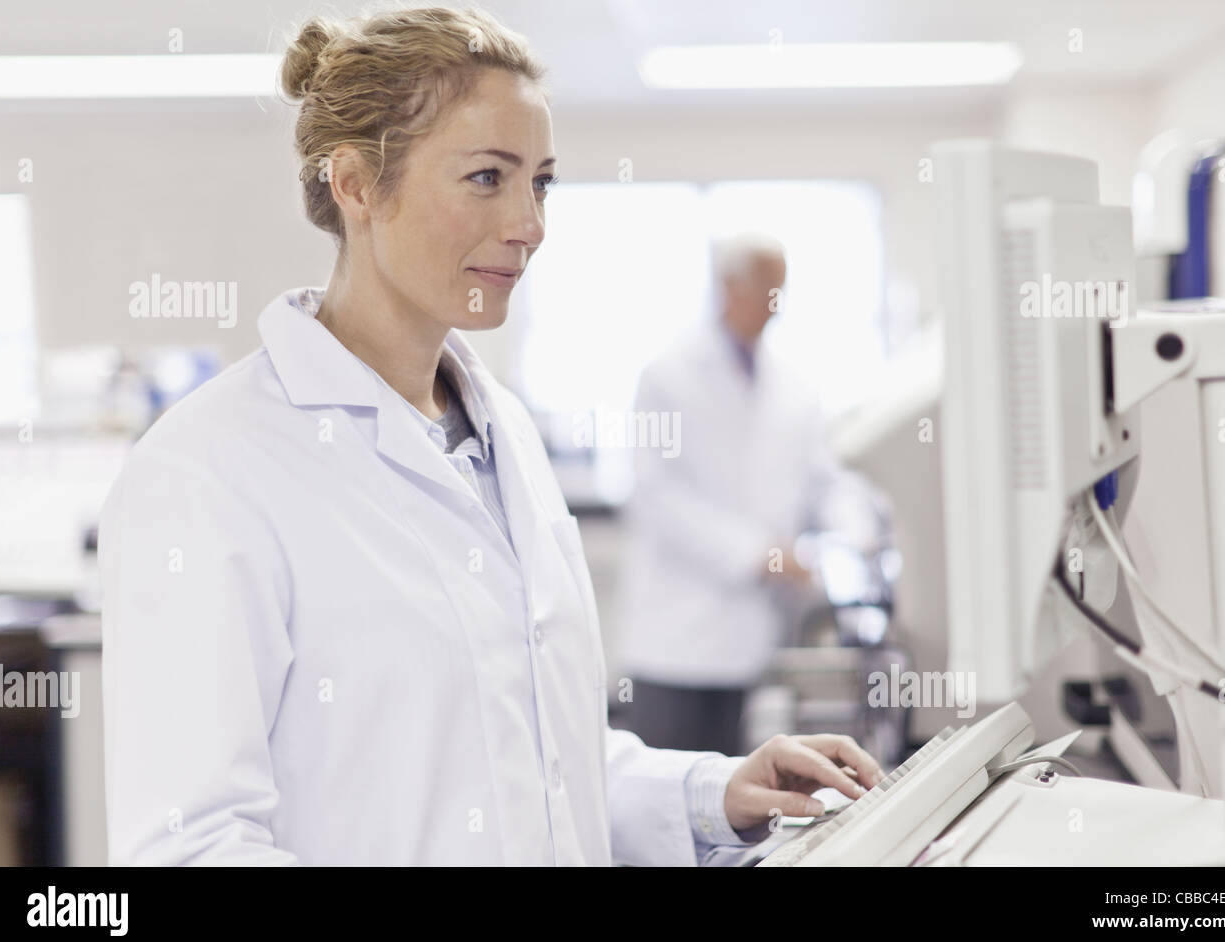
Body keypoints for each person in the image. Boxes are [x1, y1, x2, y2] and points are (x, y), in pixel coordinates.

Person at [99, 7, 883, 866]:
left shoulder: (498, 428)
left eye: (540, 182)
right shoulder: (208, 470)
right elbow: (194, 848)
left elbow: (542, 760)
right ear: (356, 184)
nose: (530, 224)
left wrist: (709, 794)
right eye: (486, 178)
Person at [620, 233, 885, 756]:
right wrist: (759, 555)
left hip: (751, 645)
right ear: (729, 288)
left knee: (734, 800)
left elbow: (825, 482)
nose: (776, 307)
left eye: (780, 293)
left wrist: (854, 534)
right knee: (671, 799)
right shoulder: (666, 378)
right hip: (677, 642)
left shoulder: (794, 387)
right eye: (767, 291)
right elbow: (658, 499)